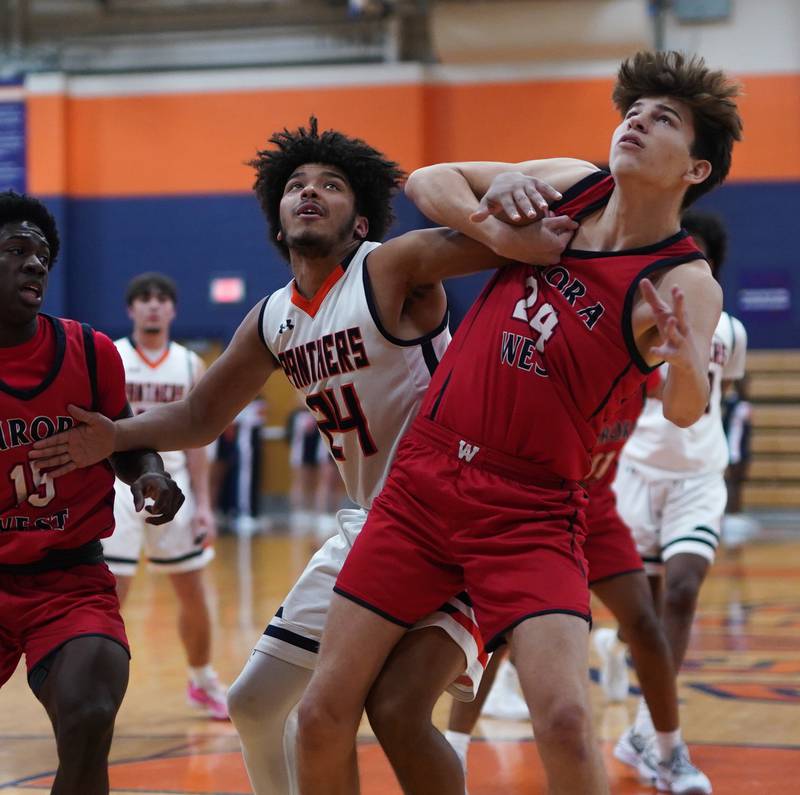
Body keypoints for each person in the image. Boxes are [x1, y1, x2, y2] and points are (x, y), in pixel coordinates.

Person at [28, 118, 576, 795]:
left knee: (401, 710)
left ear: (360, 222)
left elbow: (498, 244)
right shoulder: (271, 318)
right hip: (370, 525)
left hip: (455, 522)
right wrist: (118, 437)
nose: (310, 192)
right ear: (277, 222)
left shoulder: (389, 267)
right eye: (295, 186)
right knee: (255, 703)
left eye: (332, 185)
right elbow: (201, 416)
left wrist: (519, 193)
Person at [286, 50, 741, 795]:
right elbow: (427, 181)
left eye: (665, 120)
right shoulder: (573, 182)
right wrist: (496, 229)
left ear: (694, 169)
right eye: (633, 110)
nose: (636, 122)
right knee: (321, 713)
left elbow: (687, 410)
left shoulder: (684, 278)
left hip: (530, 508)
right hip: (424, 482)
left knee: (562, 717)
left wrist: (688, 360)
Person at [445, 369, 713, 794]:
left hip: (597, 511)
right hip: (540, 510)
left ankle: (667, 751)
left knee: (643, 621)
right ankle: (454, 749)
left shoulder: (645, 374)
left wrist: (687, 350)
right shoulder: (570, 369)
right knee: (500, 632)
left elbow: (691, 402)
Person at [0, 191, 184, 795]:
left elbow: (126, 440)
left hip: (68, 581)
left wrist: (148, 473)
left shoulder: (88, 351)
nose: (35, 264)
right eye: (18, 250)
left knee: (89, 715)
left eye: (43, 255)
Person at [611, 209, 747, 768]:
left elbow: (723, 389)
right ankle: (617, 655)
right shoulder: (636, 319)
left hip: (697, 474)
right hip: (636, 471)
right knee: (639, 614)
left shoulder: (731, 330)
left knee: (684, 591)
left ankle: (649, 732)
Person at [101, 272, 227, 720]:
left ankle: (203, 679)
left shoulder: (190, 363)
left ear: (173, 310)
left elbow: (198, 440)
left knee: (192, 589)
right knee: (111, 593)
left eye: (161, 300)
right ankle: (96, 692)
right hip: (119, 486)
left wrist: (206, 506)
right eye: (144, 299)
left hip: (174, 486)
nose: (153, 306)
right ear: (131, 309)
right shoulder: (111, 356)